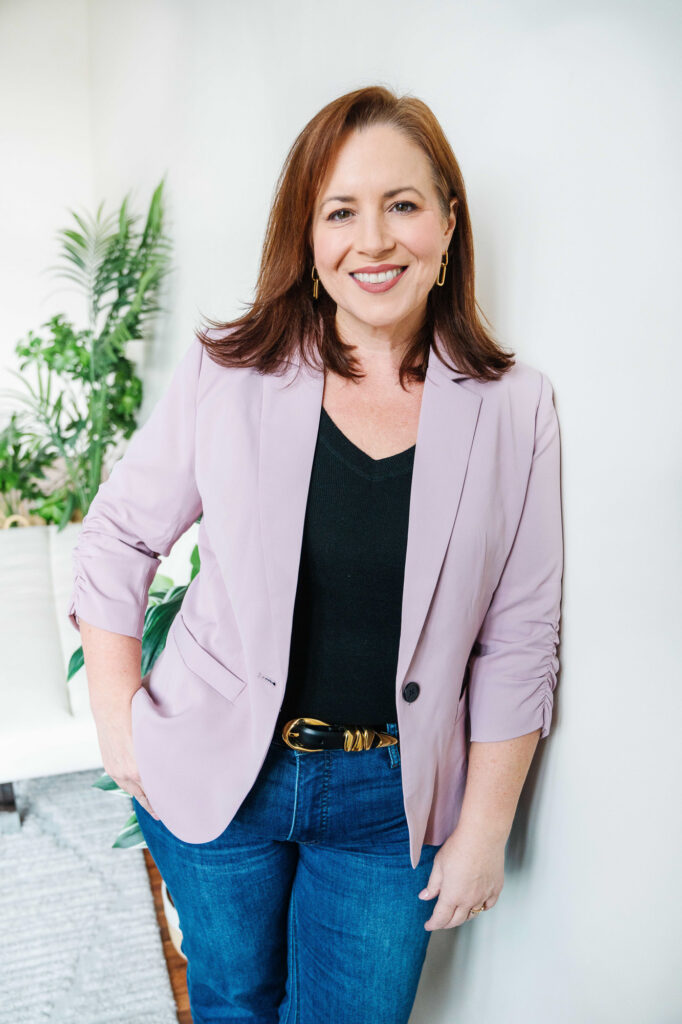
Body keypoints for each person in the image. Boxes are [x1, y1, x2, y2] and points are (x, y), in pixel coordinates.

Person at [68, 85, 564, 1024]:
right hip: (221, 772)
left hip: (390, 803)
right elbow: (120, 535)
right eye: (341, 211)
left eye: (403, 205)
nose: (373, 241)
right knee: (230, 999)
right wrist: (117, 719)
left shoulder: (514, 408)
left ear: (448, 223)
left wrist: (486, 827)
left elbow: (522, 632)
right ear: (309, 234)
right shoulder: (231, 372)